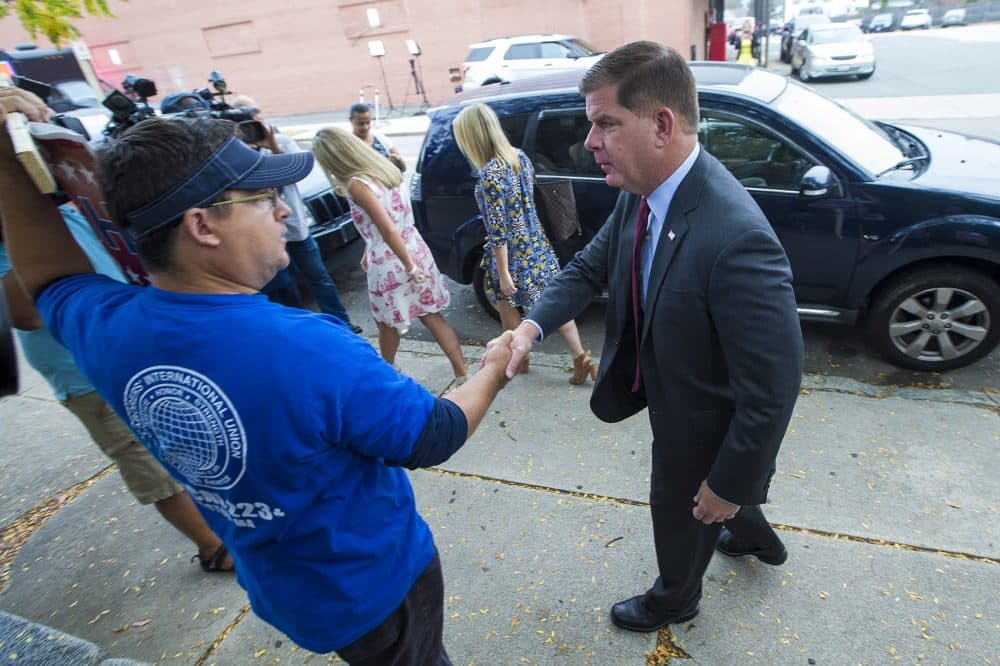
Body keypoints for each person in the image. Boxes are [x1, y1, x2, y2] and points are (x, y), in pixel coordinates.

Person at [0, 86, 513, 663]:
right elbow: (436, 433)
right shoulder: (308, 349)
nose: (285, 210)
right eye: (264, 198)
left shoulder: (102, 325)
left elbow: (44, 275)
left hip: (283, 588)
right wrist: (493, 366)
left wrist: (8, 162)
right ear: (202, 225)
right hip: (376, 586)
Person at [491, 42, 803, 632]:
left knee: (682, 508)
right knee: (719, 500)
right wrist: (530, 326)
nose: (590, 141)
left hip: (703, 418)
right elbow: (587, 268)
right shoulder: (643, 192)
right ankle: (753, 531)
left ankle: (675, 598)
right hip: (667, 391)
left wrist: (729, 481)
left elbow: (774, 387)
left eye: (606, 123)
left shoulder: (736, 237)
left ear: (661, 125)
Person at [0, 206, 233, 573]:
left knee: (183, 442)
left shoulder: (64, 204)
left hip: (127, 345)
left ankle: (221, 525)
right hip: (79, 366)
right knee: (146, 463)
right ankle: (212, 547)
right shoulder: (13, 223)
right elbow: (24, 313)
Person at [452, 103, 596, 385]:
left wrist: (504, 273)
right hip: (537, 246)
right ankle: (581, 358)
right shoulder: (519, 158)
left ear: (471, 137)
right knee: (552, 304)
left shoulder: (489, 176)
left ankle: (520, 359)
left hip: (512, 255)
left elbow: (498, 231)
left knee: (506, 303)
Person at [312, 126, 468, 383]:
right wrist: (371, 247)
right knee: (431, 315)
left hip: (392, 260)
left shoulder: (357, 184)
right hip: (414, 247)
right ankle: (462, 373)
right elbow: (387, 220)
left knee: (386, 324)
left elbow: (386, 227)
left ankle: (385, 374)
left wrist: (408, 267)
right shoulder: (384, 170)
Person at [228, 95, 362, 334]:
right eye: (246, 115)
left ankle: (342, 324)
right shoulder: (236, 155)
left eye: (255, 112)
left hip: (297, 229)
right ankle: (299, 330)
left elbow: (296, 176)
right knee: (284, 287)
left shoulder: (281, 142)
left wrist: (273, 148)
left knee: (319, 278)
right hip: (266, 235)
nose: (254, 119)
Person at [348, 103, 406, 171]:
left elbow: (403, 168)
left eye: (368, 122)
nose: (365, 127)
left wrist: (398, 162)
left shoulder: (381, 139)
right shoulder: (348, 145)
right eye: (361, 123)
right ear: (351, 120)